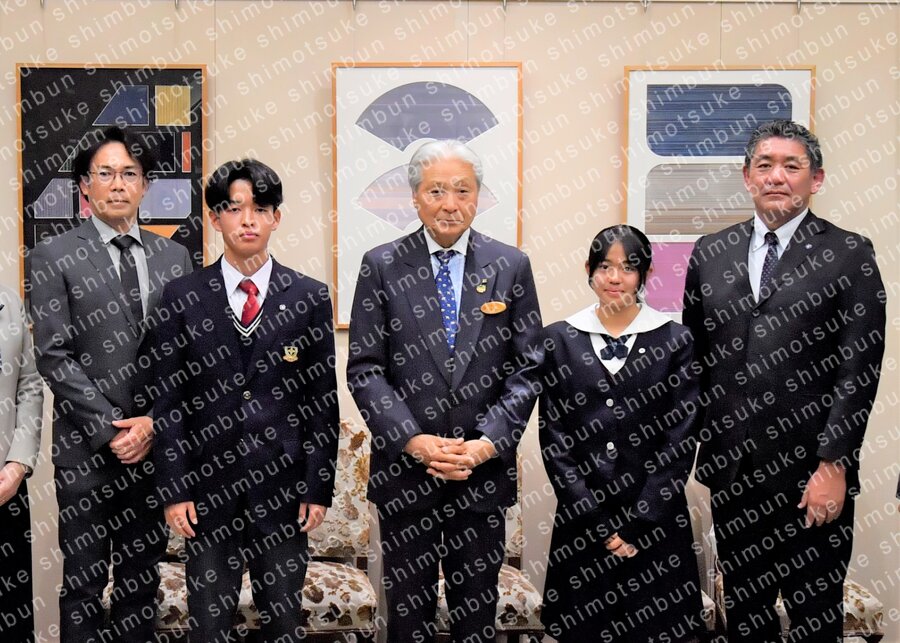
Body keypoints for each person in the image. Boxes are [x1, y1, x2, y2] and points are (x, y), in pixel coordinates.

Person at [683, 120, 886, 642]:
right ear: (747, 176)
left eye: (791, 166)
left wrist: (834, 464)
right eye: (765, 165)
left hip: (810, 475)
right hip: (734, 472)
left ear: (816, 179)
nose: (777, 176)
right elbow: (696, 363)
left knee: (814, 616)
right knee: (746, 617)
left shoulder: (850, 253)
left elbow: (859, 369)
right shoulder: (710, 252)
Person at [346, 140, 542, 643]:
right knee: (407, 620)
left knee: (476, 621)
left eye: (462, 190)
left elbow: (527, 369)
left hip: (480, 477)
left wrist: (485, 444)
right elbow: (365, 369)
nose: (450, 204)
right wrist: (414, 441)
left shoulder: (510, 265)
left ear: (478, 196)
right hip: (407, 475)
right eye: (436, 191)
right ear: (415, 197)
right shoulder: (382, 264)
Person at [152, 158, 339, 643]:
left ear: (277, 217)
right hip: (206, 494)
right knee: (208, 626)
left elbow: (322, 402)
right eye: (234, 209)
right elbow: (169, 402)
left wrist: (317, 487)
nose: (248, 220)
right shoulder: (182, 296)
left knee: (283, 622)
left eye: (260, 209)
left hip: (283, 491)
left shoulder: (309, 296)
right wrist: (175, 489)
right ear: (216, 219)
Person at [30, 125, 193, 643]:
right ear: (85, 185)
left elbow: (183, 356)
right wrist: (111, 429)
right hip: (86, 452)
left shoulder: (174, 258)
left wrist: (151, 424)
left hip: (153, 448)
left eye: (129, 174)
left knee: (139, 584)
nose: (118, 184)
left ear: (145, 185)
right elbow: (53, 355)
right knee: (82, 585)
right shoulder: (53, 255)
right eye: (106, 173)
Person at [539, 225, 704, 643]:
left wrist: (640, 522)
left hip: (656, 521)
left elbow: (681, 437)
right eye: (605, 267)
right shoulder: (559, 339)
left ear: (646, 273)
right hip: (583, 524)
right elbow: (554, 438)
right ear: (589, 270)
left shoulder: (676, 340)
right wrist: (595, 521)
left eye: (628, 268)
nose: (615, 278)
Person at [0, 286, 43, 642]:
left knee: (10, 620)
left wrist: (17, 464)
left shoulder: (8, 301)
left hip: (6, 487)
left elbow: (28, 384)